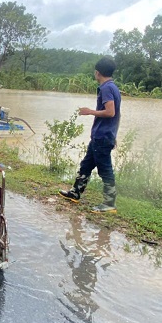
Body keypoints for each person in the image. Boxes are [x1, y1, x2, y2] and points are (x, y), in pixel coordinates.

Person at [58, 56, 122, 212]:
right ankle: (75, 192)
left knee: (105, 169)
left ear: (97, 73)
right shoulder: (113, 87)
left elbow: (111, 112)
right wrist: (114, 134)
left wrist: (89, 112)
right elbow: (118, 115)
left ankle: (109, 203)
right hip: (102, 135)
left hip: (102, 136)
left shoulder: (106, 88)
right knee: (86, 164)